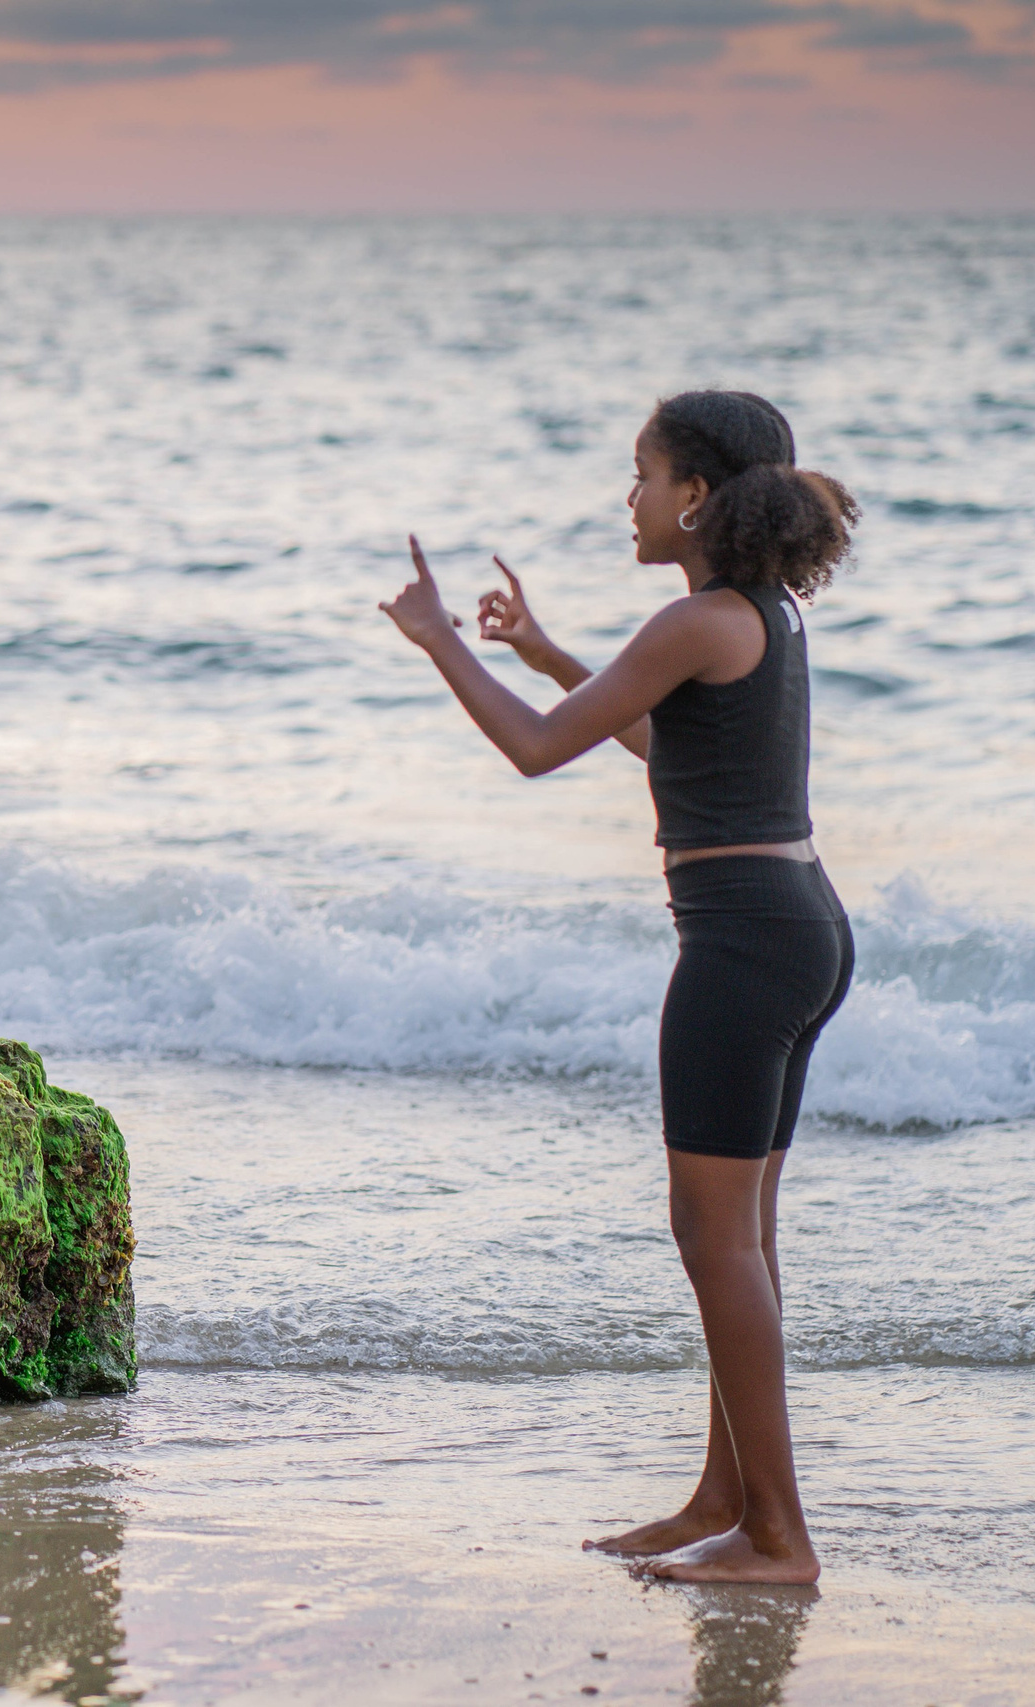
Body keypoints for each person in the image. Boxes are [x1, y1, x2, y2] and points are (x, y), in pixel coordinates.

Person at [378, 390, 858, 1585]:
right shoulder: (758, 615)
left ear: (693, 495)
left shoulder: (691, 618)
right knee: (742, 1237)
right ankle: (725, 1495)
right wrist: (541, 653)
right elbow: (667, 743)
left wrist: (440, 642)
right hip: (798, 927)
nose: (626, 500)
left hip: (742, 948)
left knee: (713, 1240)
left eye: (637, 476)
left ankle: (777, 1538)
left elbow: (540, 749)